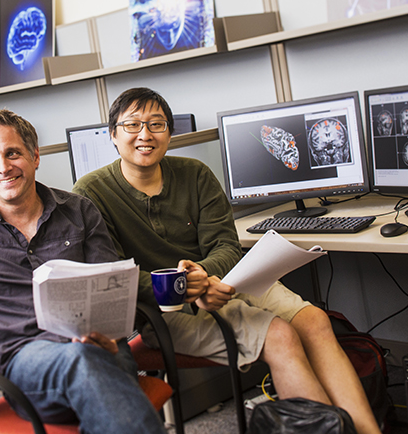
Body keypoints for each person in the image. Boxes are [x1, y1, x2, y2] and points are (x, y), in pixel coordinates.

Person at [72, 87, 381, 434]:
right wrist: (189, 286)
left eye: (156, 124)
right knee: (280, 337)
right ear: (113, 134)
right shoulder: (90, 192)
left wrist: (205, 274)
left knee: (314, 321)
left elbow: (225, 245)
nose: (145, 134)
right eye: (132, 125)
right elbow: (115, 275)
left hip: (225, 280)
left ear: (170, 133)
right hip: (162, 309)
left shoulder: (196, 174)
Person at [0, 108, 166, 434]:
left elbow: (111, 288)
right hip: (27, 362)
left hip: (100, 343)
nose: (3, 168)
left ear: (35, 157)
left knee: (97, 365)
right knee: (84, 365)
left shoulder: (79, 211)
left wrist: (110, 332)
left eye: (12, 154)